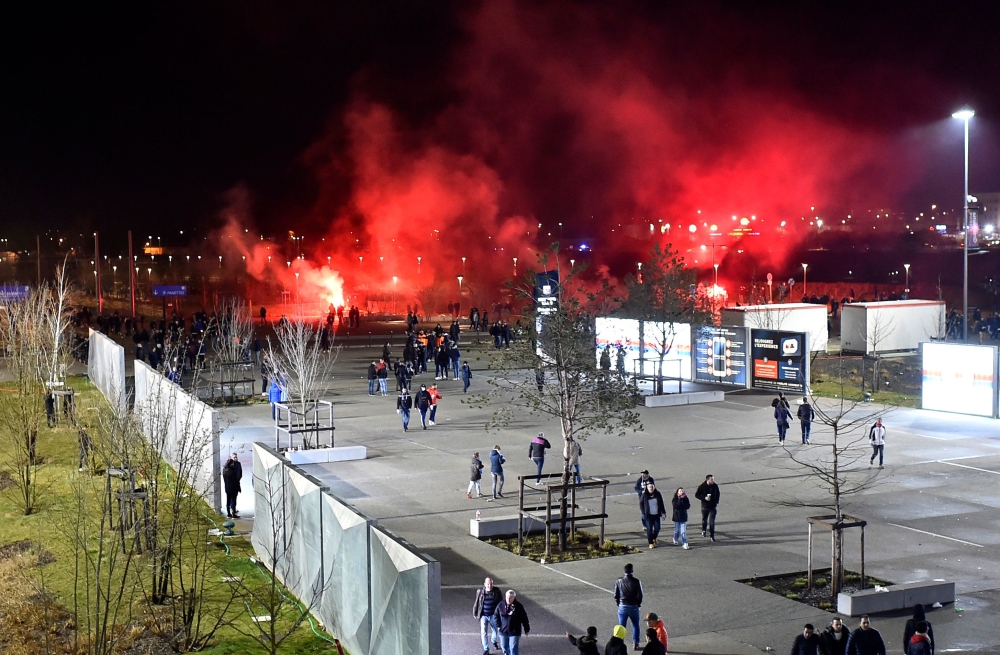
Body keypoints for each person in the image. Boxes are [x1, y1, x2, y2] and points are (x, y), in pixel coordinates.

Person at [614, 563, 643, 650]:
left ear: (624, 571)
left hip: (623, 605)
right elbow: (640, 595)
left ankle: (620, 643)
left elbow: (616, 594)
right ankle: (636, 643)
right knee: (635, 625)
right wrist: (638, 603)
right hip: (633, 606)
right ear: (632, 571)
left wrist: (618, 603)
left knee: (621, 626)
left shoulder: (619, 581)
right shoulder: (636, 581)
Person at [493, 589, 529, 655]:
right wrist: (498, 626)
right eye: (507, 597)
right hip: (503, 630)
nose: (508, 599)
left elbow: (524, 618)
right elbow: (496, 615)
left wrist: (526, 629)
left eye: (510, 598)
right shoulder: (501, 605)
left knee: (513, 647)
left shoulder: (519, 607)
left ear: (514, 598)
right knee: (504, 646)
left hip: (514, 631)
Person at [473, 577, 501, 655]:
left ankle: (493, 640)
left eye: (491, 584)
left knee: (496, 631)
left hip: (493, 615)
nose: (489, 585)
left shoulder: (497, 591)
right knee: (483, 632)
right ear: (485, 584)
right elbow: (477, 602)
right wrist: (475, 612)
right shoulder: (480, 592)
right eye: (488, 584)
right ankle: (486, 649)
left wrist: (500, 613)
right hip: (484, 615)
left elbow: (500, 603)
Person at [640, 482, 666, 548]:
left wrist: (663, 512)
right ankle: (650, 543)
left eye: (652, 487)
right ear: (647, 488)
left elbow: (661, 503)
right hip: (648, 515)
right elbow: (641, 504)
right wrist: (644, 512)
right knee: (649, 529)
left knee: (658, 528)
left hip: (656, 514)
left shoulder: (657, 494)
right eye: (649, 487)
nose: (651, 488)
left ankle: (654, 538)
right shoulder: (644, 495)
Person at [694, 474, 720, 542]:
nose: (713, 481)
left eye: (713, 479)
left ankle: (712, 535)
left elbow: (718, 493)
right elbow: (696, 495)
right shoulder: (702, 486)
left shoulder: (715, 486)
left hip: (713, 506)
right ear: (707, 480)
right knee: (704, 519)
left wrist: (716, 501)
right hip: (705, 506)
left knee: (712, 521)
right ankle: (704, 530)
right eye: (711, 479)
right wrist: (704, 498)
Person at [222, 453, 242, 519]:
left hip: (227, 487)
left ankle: (228, 514)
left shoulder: (225, 471)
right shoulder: (232, 472)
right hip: (233, 488)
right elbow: (237, 478)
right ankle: (233, 513)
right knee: (233, 500)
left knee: (228, 500)